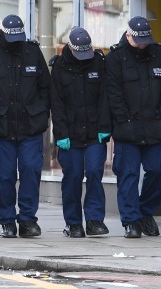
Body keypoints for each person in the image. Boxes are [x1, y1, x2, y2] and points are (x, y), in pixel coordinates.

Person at [0, 14, 51, 239]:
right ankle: (7, 221)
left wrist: (40, 113)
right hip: (1, 128)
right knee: (3, 176)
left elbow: (45, 87)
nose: (16, 40)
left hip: (30, 127)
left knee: (30, 172)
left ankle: (28, 221)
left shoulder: (32, 51)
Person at [105, 16, 161, 239]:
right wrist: (123, 120)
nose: (143, 43)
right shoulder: (116, 58)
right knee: (129, 175)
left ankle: (145, 213)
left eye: (146, 39)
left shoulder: (158, 54)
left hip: (155, 126)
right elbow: (113, 94)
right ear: (128, 35)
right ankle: (131, 221)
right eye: (139, 39)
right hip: (128, 128)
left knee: (157, 171)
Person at [49, 27, 112, 238]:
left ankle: (94, 220)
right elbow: (56, 103)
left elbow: (105, 98)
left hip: (95, 132)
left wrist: (105, 128)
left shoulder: (98, 63)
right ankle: (73, 223)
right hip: (70, 133)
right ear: (70, 47)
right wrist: (61, 134)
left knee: (94, 173)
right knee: (73, 177)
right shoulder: (59, 67)